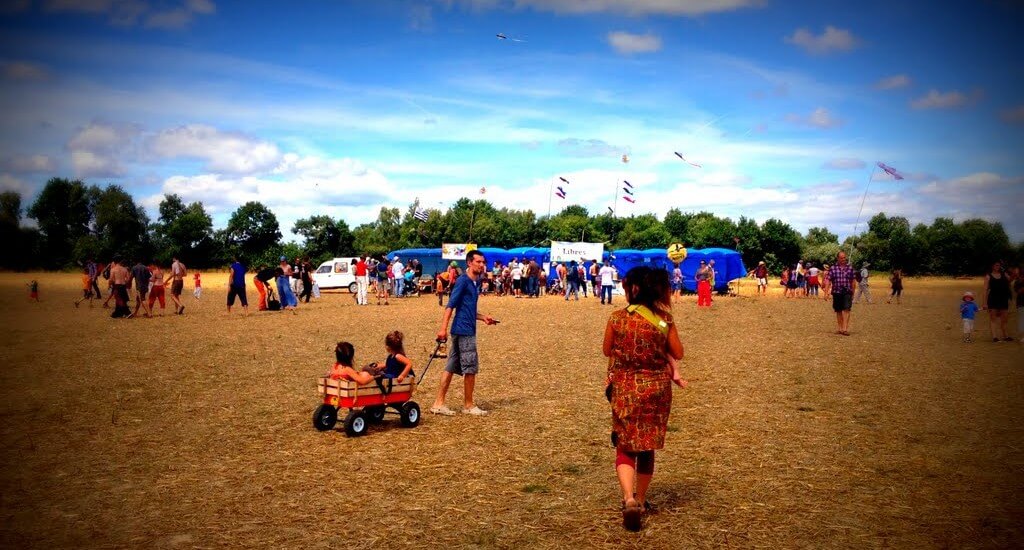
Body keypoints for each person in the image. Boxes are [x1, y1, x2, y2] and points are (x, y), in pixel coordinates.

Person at [602, 266, 684, 532]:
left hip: (626, 388)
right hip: (657, 390)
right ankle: (641, 498)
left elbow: (606, 350)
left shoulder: (616, 318)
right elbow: (678, 352)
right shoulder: (663, 319)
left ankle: (627, 499)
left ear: (632, 289)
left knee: (625, 445)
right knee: (647, 445)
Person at [430, 250, 497, 416]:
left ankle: (438, 403)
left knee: (451, 367)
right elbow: (450, 306)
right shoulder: (463, 281)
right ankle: (468, 405)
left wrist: (483, 318)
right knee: (470, 368)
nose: (482, 265)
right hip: (464, 331)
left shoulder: (475, 283)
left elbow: (468, 309)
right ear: (469, 263)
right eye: (478, 262)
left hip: (462, 329)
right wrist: (442, 329)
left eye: (483, 262)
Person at [827, 251, 856, 335]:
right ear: (838, 258)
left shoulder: (850, 268)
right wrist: (826, 292)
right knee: (838, 310)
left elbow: (853, 281)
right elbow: (828, 280)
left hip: (847, 291)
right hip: (836, 292)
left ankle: (845, 329)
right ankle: (840, 328)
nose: (843, 259)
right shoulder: (833, 268)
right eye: (841, 258)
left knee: (847, 309)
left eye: (844, 257)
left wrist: (853, 293)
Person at [983, 260, 1012, 342]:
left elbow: (1010, 280)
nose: (998, 267)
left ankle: (1006, 335)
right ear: (992, 266)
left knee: (1005, 318)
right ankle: (994, 337)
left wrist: (1012, 274)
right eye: (996, 265)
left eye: (999, 265)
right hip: (993, 298)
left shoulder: (1004, 274)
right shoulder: (988, 276)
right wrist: (985, 303)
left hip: (1003, 298)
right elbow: (985, 290)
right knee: (993, 318)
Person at [1012, 266, 1023, 344]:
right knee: (1021, 320)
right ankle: (1022, 336)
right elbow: (1017, 291)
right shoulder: (1017, 281)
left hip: (1020, 302)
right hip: (1021, 302)